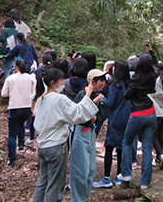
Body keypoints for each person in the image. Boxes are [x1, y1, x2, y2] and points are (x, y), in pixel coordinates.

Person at [31, 67, 99, 202]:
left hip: (43, 146)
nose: (64, 83)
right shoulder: (58, 99)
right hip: (56, 147)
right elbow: (78, 114)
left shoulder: (41, 99)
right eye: (61, 80)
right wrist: (88, 93)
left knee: (43, 182)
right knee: (55, 186)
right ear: (52, 82)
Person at [118, 53, 158, 190]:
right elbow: (157, 65)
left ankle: (126, 174)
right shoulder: (154, 77)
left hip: (137, 115)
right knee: (147, 147)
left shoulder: (135, 80)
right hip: (151, 114)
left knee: (127, 142)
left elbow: (127, 96)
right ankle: (145, 182)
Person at [69, 69, 106, 202]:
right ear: (92, 81)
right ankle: (77, 199)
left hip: (90, 133)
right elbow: (78, 115)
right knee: (80, 170)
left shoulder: (99, 94)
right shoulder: (82, 94)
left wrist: (96, 118)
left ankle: (83, 198)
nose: (103, 83)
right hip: (80, 132)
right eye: (101, 80)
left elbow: (100, 115)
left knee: (90, 171)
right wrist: (93, 103)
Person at [94, 60, 131, 188]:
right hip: (126, 119)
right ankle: (119, 176)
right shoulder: (128, 84)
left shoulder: (115, 85)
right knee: (121, 147)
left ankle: (106, 178)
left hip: (115, 119)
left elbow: (111, 103)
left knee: (109, 147)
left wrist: (101, 98)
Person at [1, 58, 36, 166]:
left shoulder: (10, 78)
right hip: (27, 107)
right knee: (21, 123)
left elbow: (3, 94)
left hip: (14, 107)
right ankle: (21, 145)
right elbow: (33, 93)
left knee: (11, 134)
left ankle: (12, 159)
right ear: (26, 67)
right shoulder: (31, 78)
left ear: (16, 67)